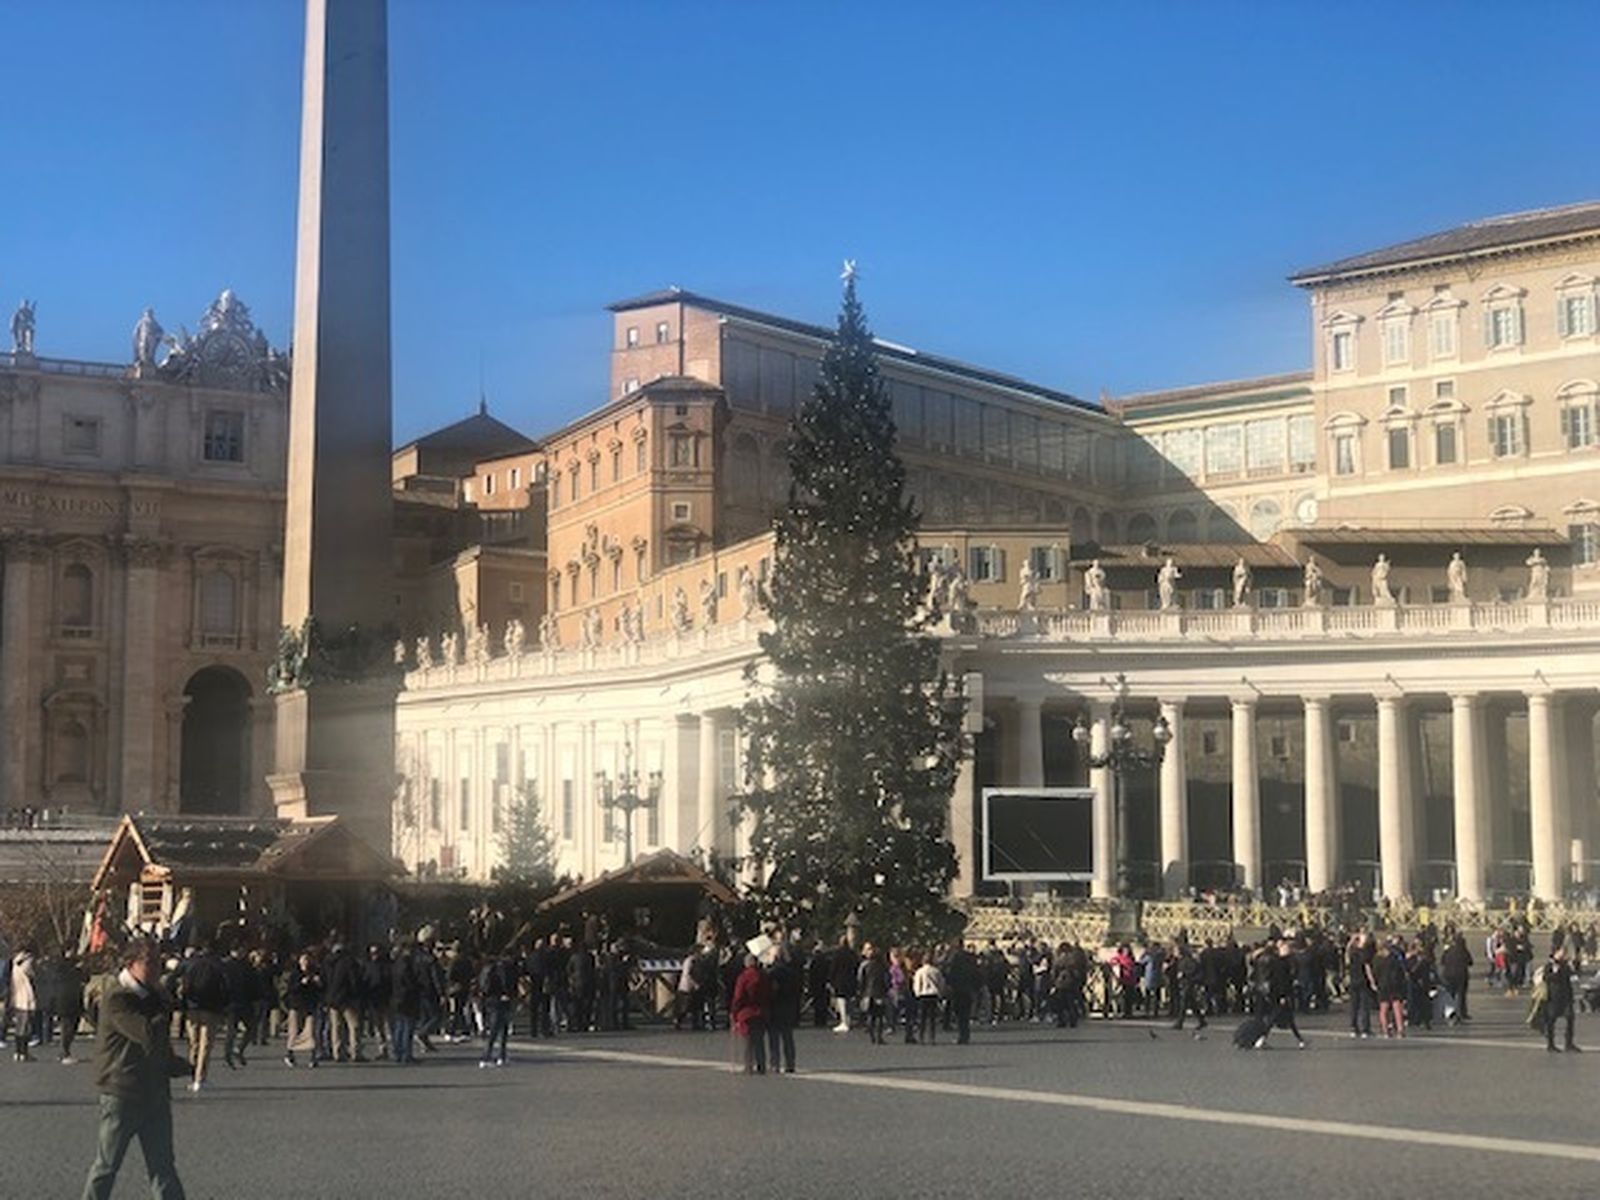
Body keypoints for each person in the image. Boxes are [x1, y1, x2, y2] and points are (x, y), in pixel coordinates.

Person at [82, 937, 189, 1200]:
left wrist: (176, 1065)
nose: (157, 969)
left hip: (154, 1092)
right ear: (130, 964)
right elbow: (148, 1035)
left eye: (159, 963)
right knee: (107, 1166)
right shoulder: (118, 998)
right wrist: (164, 1003)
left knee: (163, 1167)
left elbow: (160, 1045)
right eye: (150, 963)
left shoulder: (151, 994)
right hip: (122, 1091)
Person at [729, 954, 771, 1075]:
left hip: (746, 1012)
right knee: (759, 1041)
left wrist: (734, 1011)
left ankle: (748, 1067)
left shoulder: (744, 977)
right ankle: (761, 1066)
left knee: (747, 1041)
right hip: (762, 1011)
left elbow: (738, 996)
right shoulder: (764, 976)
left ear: (747, 963)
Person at [766, 946, 801, 1072]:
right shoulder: (792, 973)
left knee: (774, 1039)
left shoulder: (771, 973)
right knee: (788, 1038)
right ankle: (790, 1064)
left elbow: (769, 992)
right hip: (788, 1008)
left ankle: (775, 1064)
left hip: (774, 1008)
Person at [1544, 945, 1580, 1053]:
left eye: (1565, 953)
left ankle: (1568, 1043)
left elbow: (1573, 976)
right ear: (1556, 953)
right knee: (1551, 1020)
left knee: (1570, 1018)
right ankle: (1550, 1044)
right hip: (1554, 997)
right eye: (1562, 952)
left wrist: (1574, 965)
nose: (1564, 955)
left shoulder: (1565, 964)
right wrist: (1555, 972)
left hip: (1566, 996)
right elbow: (1546, 978)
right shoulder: (1550, 964)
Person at [10, 944, 38, 1061]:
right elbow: (32, 976)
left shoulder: (15, 962)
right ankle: (24, 1052)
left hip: (16, 996)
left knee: (19, 1026)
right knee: (26, 1027)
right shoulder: (28, 962)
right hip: (27, 997)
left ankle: (18, 1052)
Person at [858, 943, 890, 1045]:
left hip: (868, 993)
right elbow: (887, 980)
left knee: (871, 1016)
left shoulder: (865, 966)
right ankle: (879, 1037)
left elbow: (861, 980)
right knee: (880, 1017)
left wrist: (862, 992)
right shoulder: (883, 967)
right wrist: (886, 990)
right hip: (880, 993)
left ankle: (872, 1036)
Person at [912, 952, 945, 1044]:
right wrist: (940, 993)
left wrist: (917, 993)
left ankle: (921, 1037)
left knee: (922, 1018)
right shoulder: (936, 971)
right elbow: (941, 983)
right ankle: (932, 1037)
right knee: (932, 1018)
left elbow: (917, 984)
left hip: (923, 995)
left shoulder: (920, 971)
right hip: (933, 995)